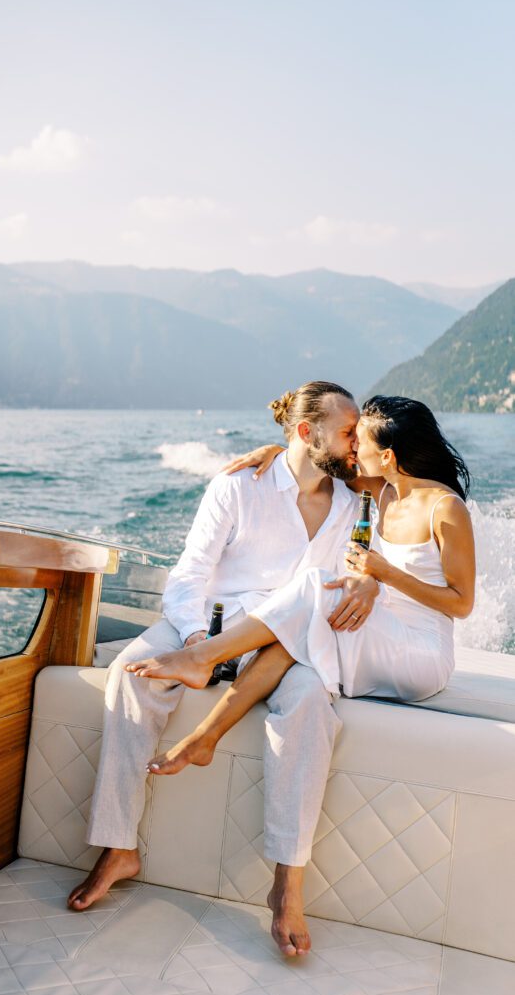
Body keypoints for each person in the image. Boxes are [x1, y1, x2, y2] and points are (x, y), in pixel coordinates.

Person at [125, 395, 475, 954]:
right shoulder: (378, 490)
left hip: (420, 654)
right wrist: (276, 448)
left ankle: (202, 659)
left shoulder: (444, 507)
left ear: (388, 454)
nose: (351, 448)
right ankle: (207, 735)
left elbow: (460, 604)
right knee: (299, 631)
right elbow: (312, 458)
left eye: (359, 442)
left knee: (312, 592)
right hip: (378, 631)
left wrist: (382, 574)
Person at [67, 381, 383, 957]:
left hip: (289, 642)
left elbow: (349, 573)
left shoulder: (350, 501)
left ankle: (288, 881)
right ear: (306, 433)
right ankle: (117, 848)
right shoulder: (238, 485)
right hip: (209, 623)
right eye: (345, 431)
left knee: (311, 701)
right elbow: (189, 575)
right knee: (131, 672)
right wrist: (194, 638)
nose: (355, 441)